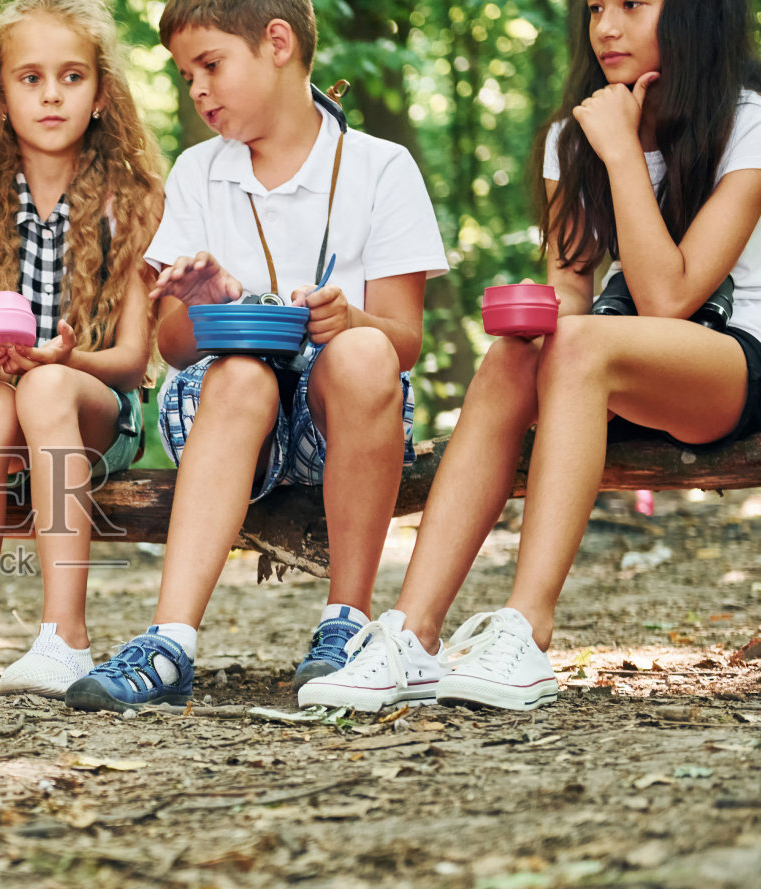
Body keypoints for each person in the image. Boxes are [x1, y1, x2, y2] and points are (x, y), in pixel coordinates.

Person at [300, 0, 761, 712]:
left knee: (579, 343)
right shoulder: (573, 135)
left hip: (731, 363)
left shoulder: (748, 123)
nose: (604, 26)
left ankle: (526, 628)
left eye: (631, 5)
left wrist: (622, 151)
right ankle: (413, 636)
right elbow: (572, 289)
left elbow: (670, 297)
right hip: (611, 359)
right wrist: (535, 322)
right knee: (513, 356)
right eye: (595, 7)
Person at [65, 0, 447, 713]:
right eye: (186, 77)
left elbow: (404, 339)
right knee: (241, 373)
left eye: (210, 65)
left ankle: (348, 625)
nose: (198, 89)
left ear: (277, 43)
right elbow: (173, 346)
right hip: (225, 411)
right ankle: (170, 639)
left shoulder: (379, 168)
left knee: (364, 350)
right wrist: (206, 303)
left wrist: (351, 318)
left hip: (345, 416)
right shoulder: (198, 172)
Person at [0, 0, 166, 700]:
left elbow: (131, 360)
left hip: (99, 411)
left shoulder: (136, 201)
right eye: (30, 78)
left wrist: (63, 361)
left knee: (44, 389)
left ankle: (66, 636)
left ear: (101, 94)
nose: (52, 93)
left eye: (71, 76)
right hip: (8, 412)